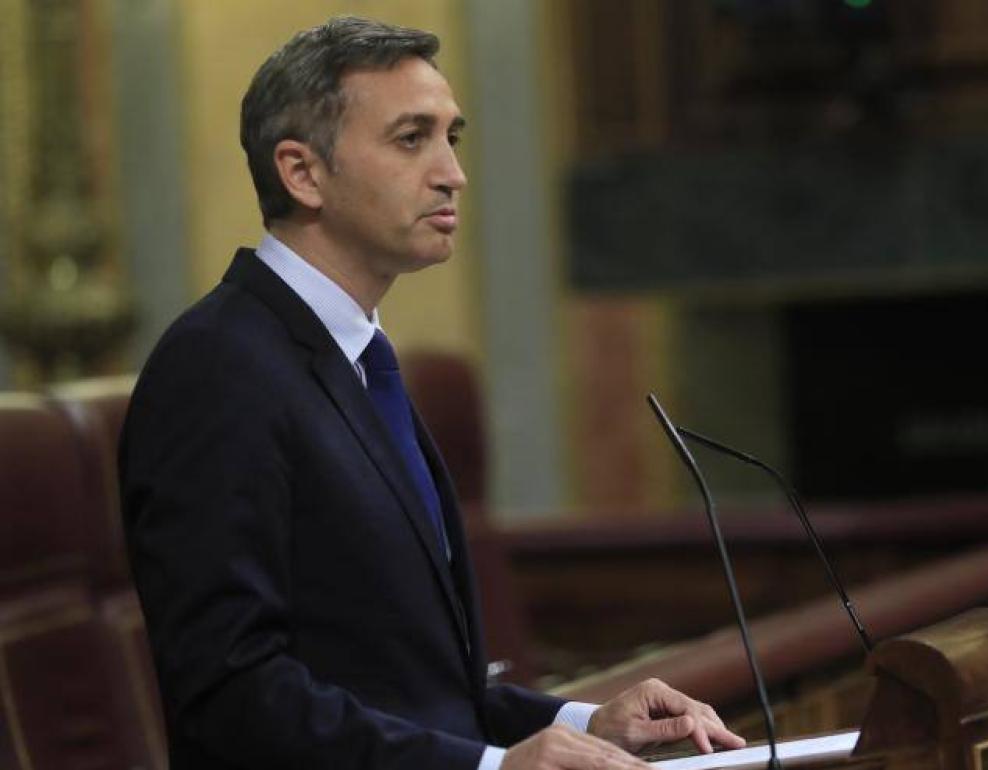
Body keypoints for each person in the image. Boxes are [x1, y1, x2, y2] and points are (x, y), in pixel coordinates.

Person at [119, 15, 745, 770]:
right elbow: (232, 697)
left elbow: (415, 690)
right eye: (412, 138)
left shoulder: (356, 359)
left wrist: (586, 721)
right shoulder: (218, 369)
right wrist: (491, 768)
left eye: (453, 136)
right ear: (302, 172)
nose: (453, 172)